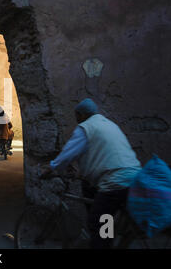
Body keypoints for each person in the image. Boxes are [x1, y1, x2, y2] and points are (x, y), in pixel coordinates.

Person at [41, 98, 142, 249]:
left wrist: (51, 168)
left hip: (115, 182)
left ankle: (103, 244)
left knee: (97, 222)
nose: (76, 120)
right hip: (134, 177)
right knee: (100, 209)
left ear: (81, 115)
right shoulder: (109, 124)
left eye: (76, 116)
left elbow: (67, 154)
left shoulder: (85, 128)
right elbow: (103, 155)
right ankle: (107, 237)